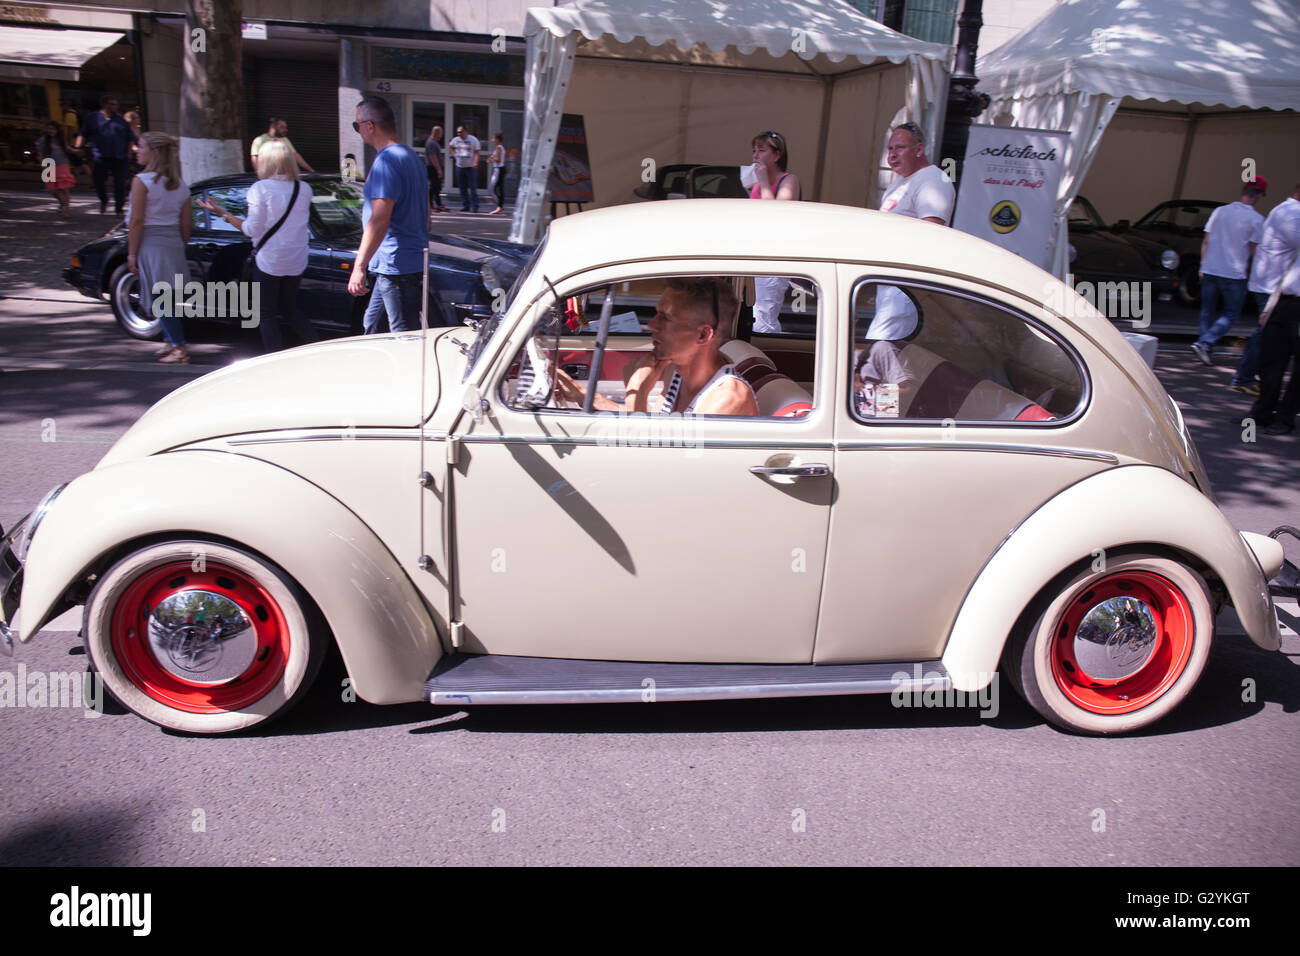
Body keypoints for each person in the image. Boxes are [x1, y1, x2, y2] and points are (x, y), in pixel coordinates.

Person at [554, 278, 758, 416]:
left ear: (703, 334)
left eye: (666, 317)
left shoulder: (726, 400)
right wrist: (582, 395)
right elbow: (654, 427)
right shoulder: (676, 374)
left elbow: (654, 463)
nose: (652, 325)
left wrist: (638, 390)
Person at [198, 139, 318, 353]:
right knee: (289, 309)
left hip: (270, 260)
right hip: (296, 259)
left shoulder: (260, 189)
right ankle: (317, 346)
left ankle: (273, 359)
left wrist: (223, 214)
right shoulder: (304, 188)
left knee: (266, 314)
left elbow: (251, 229)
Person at [348, 96, 430, 333]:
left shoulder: (386, 161)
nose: (358, 131)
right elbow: (427, 215)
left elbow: (379, 220)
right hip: (403, 261)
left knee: (402, 333)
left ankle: (411, 371)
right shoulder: (412, 158)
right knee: (371, 325)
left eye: (357, 126)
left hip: (395, 265)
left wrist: (359, 267)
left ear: (370, 126)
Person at [126, 132, 191, 364]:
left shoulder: (142, 182)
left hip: (150, 243)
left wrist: (132, 253)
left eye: (140, 146)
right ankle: (169, 340)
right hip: (172, 242)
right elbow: (186, 225)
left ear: (154, 152)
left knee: (160, 297)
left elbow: (136, 221)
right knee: (167, 296)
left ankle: (179, 348)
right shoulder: (181, 185)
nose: (136, 150)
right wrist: (178, 244)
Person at [1244, 181, 1300, 435]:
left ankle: (1285, 416)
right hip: (1286, 299)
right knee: (1271, 360)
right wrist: (1271, 304)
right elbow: (1288, 269)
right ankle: (1263, 411)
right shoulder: (1291, 216)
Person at [1191, 178, 1266, 366]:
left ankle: (1204, 347)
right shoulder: (1257, 219)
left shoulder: (1220, 211)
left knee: (1207, 310)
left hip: (1210, 268)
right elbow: (1253, 250)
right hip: (1233, 272)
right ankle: (1205, 343)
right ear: (1259, 195)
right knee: (1230, 313)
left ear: (1243, 190)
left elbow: (1206, 240)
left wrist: (1202, 264)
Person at [747, 130, 801, 334]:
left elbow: (776, 216)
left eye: (761, 150)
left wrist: (764, 183)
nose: (755, 156)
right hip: (752, 254)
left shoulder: (788, 180)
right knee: (749, 314)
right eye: (754, 151)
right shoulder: (755, 184)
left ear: (777, 155)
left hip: (773, 257)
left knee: (764, 315)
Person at [880, 121, 954, 225]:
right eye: (890, 148)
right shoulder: (899, 181)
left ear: (919, 149)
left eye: (900, 147)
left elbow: (932, 231)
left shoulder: (933, 180)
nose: (892, 155)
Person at [75, 95, 136, 215]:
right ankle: (104, 200)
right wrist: (78, 147)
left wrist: (129, 152)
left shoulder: (120, 120)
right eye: (111, 104)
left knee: (120, 183)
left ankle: (118, 209)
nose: (114, 107)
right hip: (101, 156)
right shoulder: (92, 118)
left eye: (115, 104)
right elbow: (83, 133)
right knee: (98, 181)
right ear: (104, 104)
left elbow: (129, 138)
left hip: (119, 156)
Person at [34, 121, 76, 217]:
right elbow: (40, 154)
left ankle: (66, 210)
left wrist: (76, 151)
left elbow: (68, 148)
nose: (51, 131)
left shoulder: (61, 139)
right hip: (48, 163)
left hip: (62, 163)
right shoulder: (43, 140)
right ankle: (62, 203)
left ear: (57, 130)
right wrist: (42, 164)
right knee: (52, 190)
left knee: (64, 188)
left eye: (53, 129)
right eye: (49, 129)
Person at [448, 124, 481, 213]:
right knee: (462, 187)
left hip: (470, 167)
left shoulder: (473, 140)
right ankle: (466, 205)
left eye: (460, 132)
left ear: (466, 131)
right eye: (458, 132)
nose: (459, 134)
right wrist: (454, 155)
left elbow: (477, 152)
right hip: (460, 166)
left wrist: (476, 162)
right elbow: (450, 146)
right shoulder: (456, 140)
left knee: (472, 187)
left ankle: (475, 206)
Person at [425, 125, 448, 213]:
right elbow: (432, 156)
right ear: (437, 133)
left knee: (437, 187)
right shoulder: (431, 143)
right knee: (434, 187)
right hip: (432, 168)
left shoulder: (433, 142)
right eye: (441, 133)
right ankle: (430, 204)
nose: (441, 135)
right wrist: (438, 169)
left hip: (434, 167)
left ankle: (439, 204)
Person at [488, 132, 507, 215]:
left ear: (497, 139)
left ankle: (499, 206)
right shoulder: (499, 148)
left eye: (493, 138)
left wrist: (491, 157)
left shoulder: (499, 147)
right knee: (498, 188)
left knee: (492, 188)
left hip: (498, 169)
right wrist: (491, 159)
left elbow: (498, 160)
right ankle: (499, 206)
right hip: (498, 169)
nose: (492, 140)